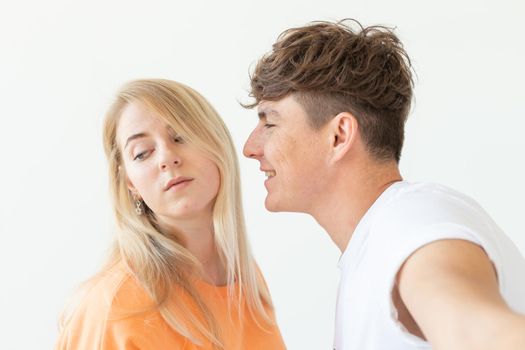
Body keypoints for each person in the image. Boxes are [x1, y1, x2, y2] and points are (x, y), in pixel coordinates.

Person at [242, 19, 525, 350]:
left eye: (270, 123)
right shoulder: (379, 244)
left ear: (339, 136)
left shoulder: (409, 227)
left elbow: (486, 337)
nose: (250, 148)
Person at [56, 79, 286, 350]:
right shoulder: (110, 308)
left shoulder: (245, 279)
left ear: (217, 143)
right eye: (142, 153)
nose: (167, 158)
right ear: (130, 183)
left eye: (180, 136)